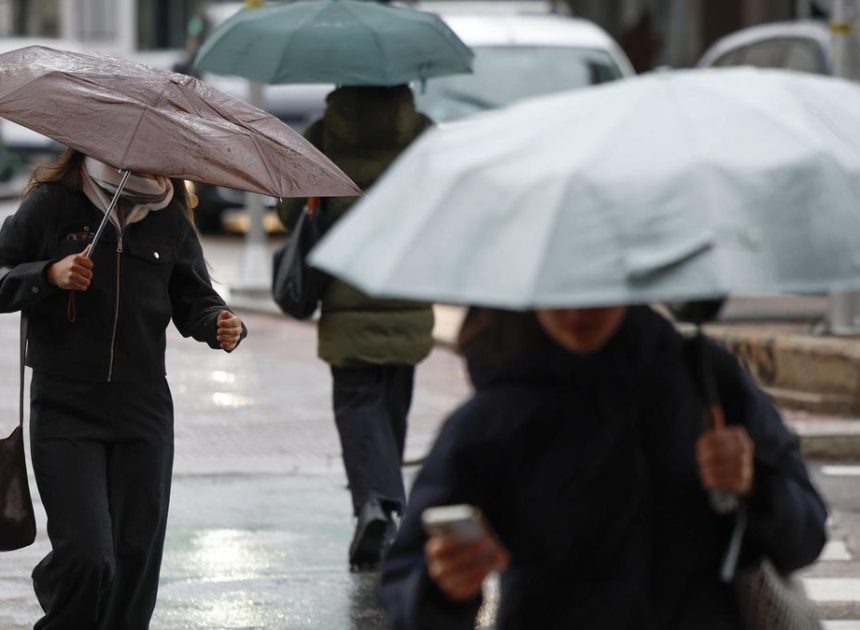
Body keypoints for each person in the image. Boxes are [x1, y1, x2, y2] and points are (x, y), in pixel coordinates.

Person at [379, 305, 827, 629]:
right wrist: (443, 586)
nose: (578, 310)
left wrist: (756, 485)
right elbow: (406, 590)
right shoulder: (491, 421)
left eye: (594, 284)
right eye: (560, 287)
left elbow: (806, 537)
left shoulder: (703, 381)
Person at [0, 148, 247, 628]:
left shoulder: (169, 215)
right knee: (88, 555)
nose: (153, 163)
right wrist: (48, 274)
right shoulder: (53, 204)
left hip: (144, 406)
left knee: (136, 557)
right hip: (65, 404)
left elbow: (193, 295)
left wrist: (218, 321)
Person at [277, 84, 434, 571]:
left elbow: (289, 212)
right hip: (407, 295)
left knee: (356, 405)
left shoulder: (325, 135)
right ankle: (385, 505)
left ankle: (377, 505)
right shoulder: (423, 133)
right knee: (391, 409)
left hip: (346, 299)